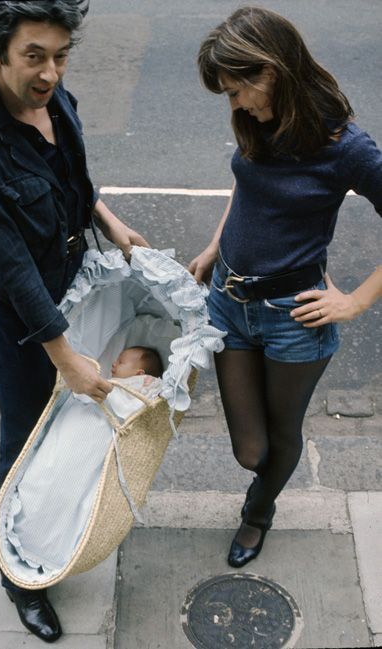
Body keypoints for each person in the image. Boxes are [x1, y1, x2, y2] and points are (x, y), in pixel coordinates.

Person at [0, 0, 148, 642]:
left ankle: (66, 518)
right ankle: (22, 577)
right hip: (24, 318)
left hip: (77, 284)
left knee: (72, 426)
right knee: (26, 437)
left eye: (60, 57)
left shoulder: (55, 99)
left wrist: (112, 224)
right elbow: (9, 271)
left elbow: (73, 178)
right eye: (33, 57)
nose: (49, 74)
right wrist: (64, 357)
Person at [189, 7, 381, 570]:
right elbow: (246, 184)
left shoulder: (346, 147)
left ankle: (259, 513)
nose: (234, 105)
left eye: (236, 90)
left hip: (292, 317)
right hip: (228, 301)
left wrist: (356, 300)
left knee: (280, 434)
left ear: (270, 71)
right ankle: (261, 485)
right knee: (249, 449)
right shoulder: (259, 124)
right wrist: (214, 246)